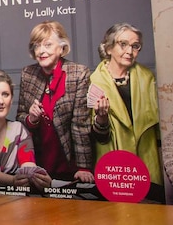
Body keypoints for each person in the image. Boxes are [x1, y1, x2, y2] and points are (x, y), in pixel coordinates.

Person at [90, 23, 163, 202]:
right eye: (123, 44)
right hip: (115, 169)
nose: (129, 51)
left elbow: (160, 129)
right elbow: (96, 137)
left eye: (135, 46)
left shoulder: (148, 78)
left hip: (147, 163)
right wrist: (102, 118)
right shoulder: (93, 81)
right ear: (108, 48)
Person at [16, 21, 94, 182]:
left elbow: (81, 124)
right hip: (38, 162)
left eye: (48, 45)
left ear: (62, 47)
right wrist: (31, 119)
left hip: (68, 162)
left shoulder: (78, 74)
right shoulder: (28, 73)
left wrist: (83, 167)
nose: (41, 51)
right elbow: (20, 118)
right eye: (37, 46)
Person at [0, 70, 51, 189]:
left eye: (5, 94)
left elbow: (28, 167)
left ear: (11, 99)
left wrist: (38, 178)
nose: (0, 101)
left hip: (14, 200)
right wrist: (13, 181)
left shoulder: (19, 130)